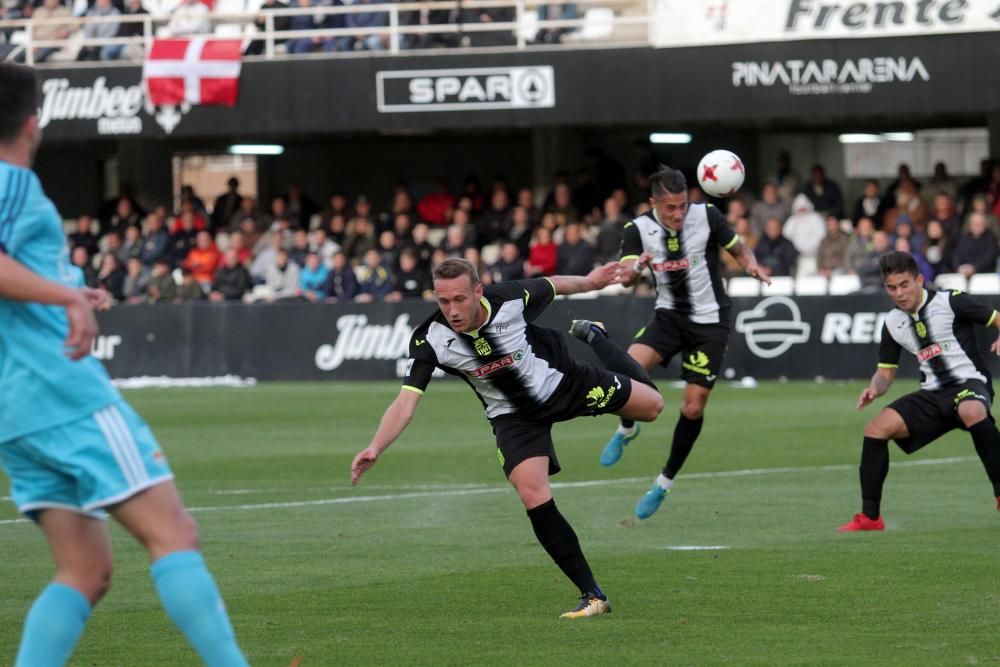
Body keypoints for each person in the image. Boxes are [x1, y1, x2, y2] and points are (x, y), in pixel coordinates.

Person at [0, 63, 247, 667]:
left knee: (85, 569)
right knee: (175, 535)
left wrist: (68, 290)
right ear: (35, 122)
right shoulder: (11, 180)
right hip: (62, 392)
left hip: (17, 408)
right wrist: (63, 297)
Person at [350, 258, 664, 617]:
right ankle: (593, 595)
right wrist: (376, 446)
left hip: (565, 383)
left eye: (459, 299)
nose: (452, 310)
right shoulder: (430, 338)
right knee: (533, 494)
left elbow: (558, 284)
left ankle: (595, 337)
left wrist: (593, 281)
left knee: (653, 406)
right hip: (514, 418)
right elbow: (405, 403)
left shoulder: (510, 299)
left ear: (478, 292)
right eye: (443, 301)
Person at [599, 164, 769, 520]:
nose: (678, 214)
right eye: (670, 208)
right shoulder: (638, 229)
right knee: (623, 369)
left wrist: (752, 265)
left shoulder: (707, 215)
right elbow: (626, 278)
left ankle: (664, 482)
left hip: (710, 323)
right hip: (669, 317)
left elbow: (739, 250)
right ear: (653, 204)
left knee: (692, 408)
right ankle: (628, 428)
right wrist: (637, 268)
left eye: (682, 205)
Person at [839, 251, 1000, 531]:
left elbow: (996, 318)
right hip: (933, 394)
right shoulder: (892, 323)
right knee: (876, 429)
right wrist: (875, 389)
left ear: (919, 280)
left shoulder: (950, 301)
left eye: (904, 285)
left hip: (969, 384)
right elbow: (886, 372)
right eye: (892, 288)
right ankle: (870, 517)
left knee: (971, 409)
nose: (899, 293)